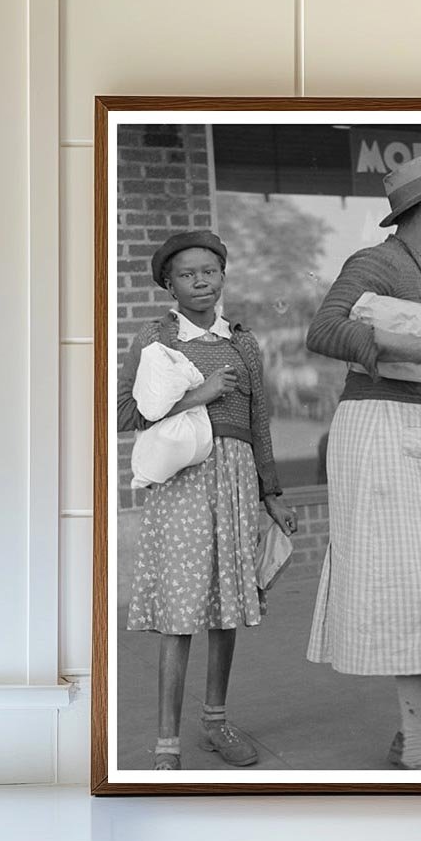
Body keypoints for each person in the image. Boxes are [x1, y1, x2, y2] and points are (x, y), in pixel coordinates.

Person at [305, 150, 421, 770]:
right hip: (387, 432)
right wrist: (418, 346)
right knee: (416, 585)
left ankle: (415, 731)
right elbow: (324, 330)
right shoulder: (376, 261)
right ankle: (419, 741)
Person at [118, 229, 297, 771]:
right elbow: (125, 414)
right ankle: (166, 745)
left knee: (225, 609)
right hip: (183, 483)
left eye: (210, 271)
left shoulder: (242, 343)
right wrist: (199, 395)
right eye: (187, 273)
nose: (200, 280)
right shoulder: (156, 338)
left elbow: (260, 423)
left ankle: (216, 722)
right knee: (179, 609)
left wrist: (272, 495)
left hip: (238, 480)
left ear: (222, 276)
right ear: (168, 283)